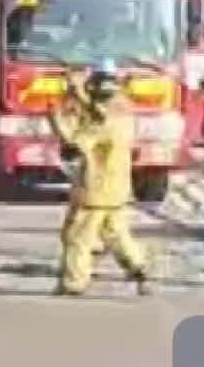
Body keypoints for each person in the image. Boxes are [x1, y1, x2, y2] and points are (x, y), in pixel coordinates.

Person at [49, 59, 153, 297]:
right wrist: (75, 95)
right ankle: (139, 266)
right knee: (115, 232)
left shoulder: (102, 120)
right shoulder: (122, 108)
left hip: (95, 187)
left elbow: (75, 146)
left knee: (78, 236)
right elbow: (93, 112)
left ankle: (73, 282)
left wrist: (56, 121)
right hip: (117, 186)